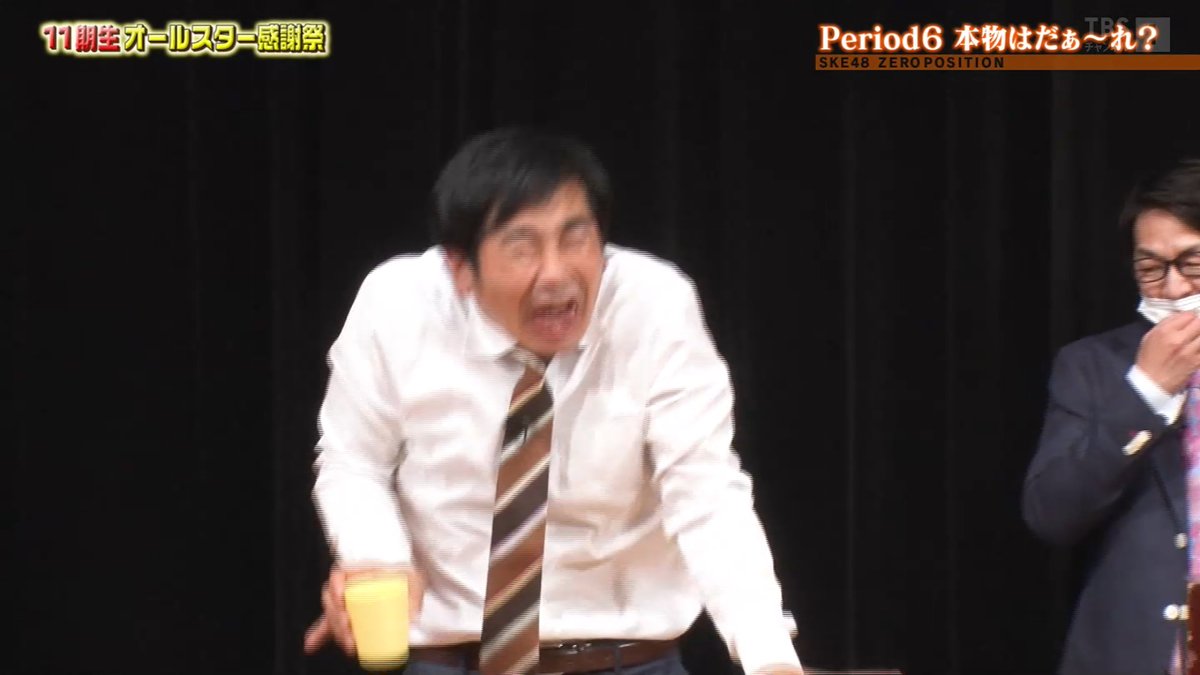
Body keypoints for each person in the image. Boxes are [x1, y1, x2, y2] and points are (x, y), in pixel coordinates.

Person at [302, 126, 804, 675]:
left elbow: (704, 490)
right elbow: (354, 461)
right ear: (460, 268)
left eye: (575, 238)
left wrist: (770, 657)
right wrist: (377, 559)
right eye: (522, 249)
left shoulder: (653, 305)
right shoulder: (399, 305)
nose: (556, 274)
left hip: (626, 660)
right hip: (446, 660)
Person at [1023, 158, 1200, 675]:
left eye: (1192, 264)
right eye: (1151, 269)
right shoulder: (1093, 366)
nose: (1173, 289)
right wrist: (1146, 393)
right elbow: (1052, 515)